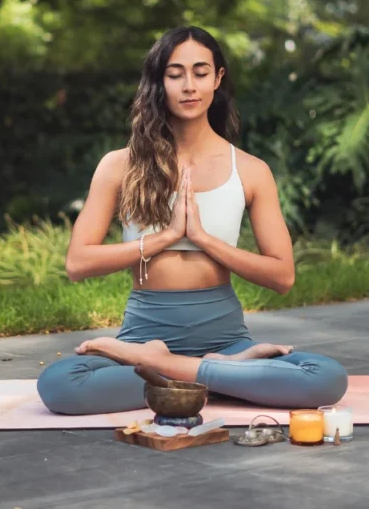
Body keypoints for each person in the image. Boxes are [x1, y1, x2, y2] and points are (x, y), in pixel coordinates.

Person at [36, 26, 348, 415]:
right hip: (143, 334)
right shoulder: (120, 165)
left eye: (200, 73)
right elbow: (78, 264)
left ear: (217, 79)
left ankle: (169, 369)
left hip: (224, 338)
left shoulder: (250, 170)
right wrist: (166, 236)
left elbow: (282, 277)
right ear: (159, 81)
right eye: (174, 73)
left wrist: (203, 237)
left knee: (327, 377)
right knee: (59, 385)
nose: (189, 86)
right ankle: (225, 377)